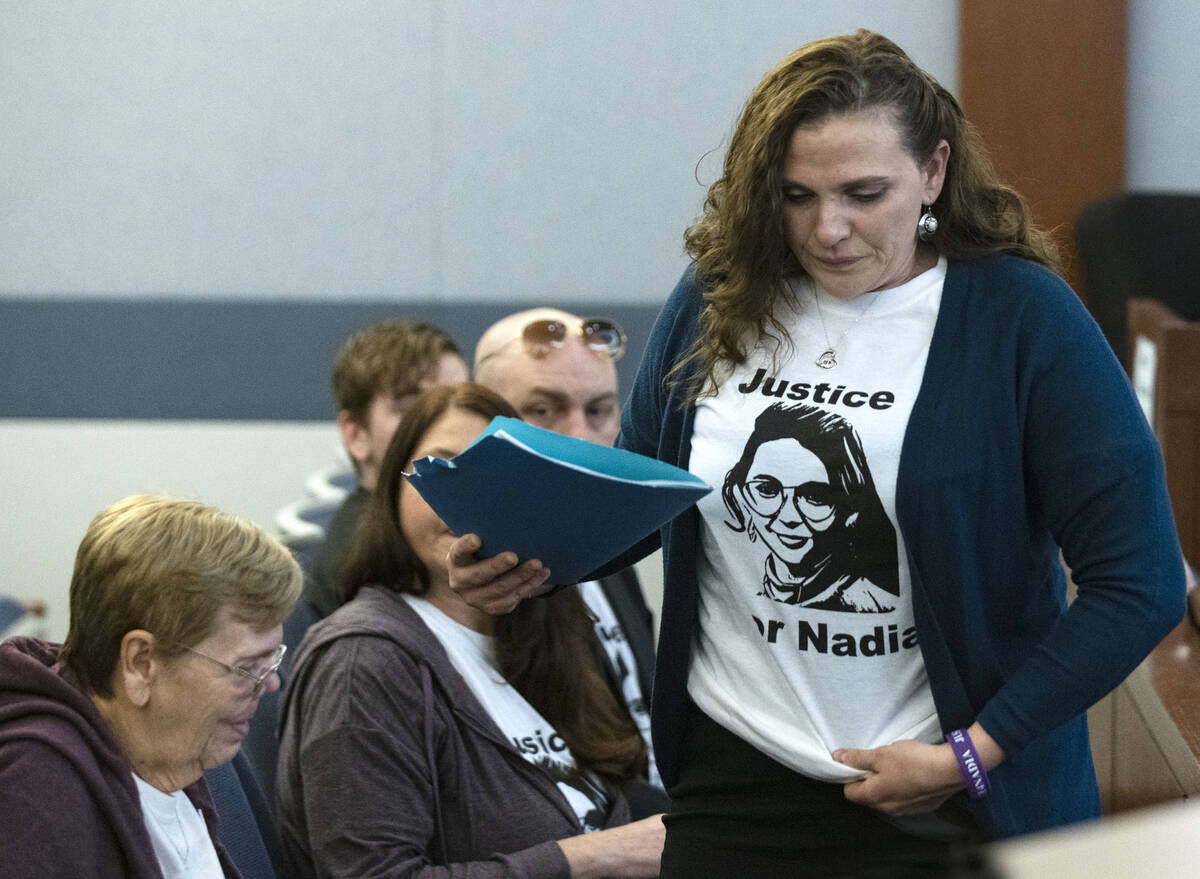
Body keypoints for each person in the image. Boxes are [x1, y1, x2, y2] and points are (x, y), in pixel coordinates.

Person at [446, 29, 1187, 877]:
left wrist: (975, 751)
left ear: (935, 172)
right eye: (798, 196)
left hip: (950, 793)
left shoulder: (1023, 319)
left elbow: (1141, 582)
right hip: (735, 778)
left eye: (864, 193)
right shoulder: (722, 295)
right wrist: (533, 555)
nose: (828, 229)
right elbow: (646, 490)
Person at [276, 383, 665, 878]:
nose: (466, 493)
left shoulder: (534, 633)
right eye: (439, 466)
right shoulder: (364, 660)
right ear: (392, 490)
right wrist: (598, 856)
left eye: (493, 473)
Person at [0, 495, 301, 878]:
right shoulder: (37, 800)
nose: (271, 683)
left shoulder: (173, 753)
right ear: (141, 663)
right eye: (246, 668)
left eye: (272, 659)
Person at [474, 308, 664, 800]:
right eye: (543, 410)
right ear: (482, 424)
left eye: (599, 411)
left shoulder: (609, 546)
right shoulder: (477, 583)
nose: (580, 436)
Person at [304, 318, 468, 618]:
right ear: (356, 435)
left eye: (460, 404)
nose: (447, 426)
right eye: (411, 411)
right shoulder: (364, 560)